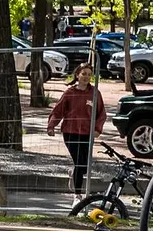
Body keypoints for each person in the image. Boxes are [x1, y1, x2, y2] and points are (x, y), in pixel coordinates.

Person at [46, 65, 107, 196]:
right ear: (77, 75)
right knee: (79, 163)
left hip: (87, 133)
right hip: (71, 132)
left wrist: (97, 129)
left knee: (84, 166)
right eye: (84, 74)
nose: (86, 77)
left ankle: (73, 174)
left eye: (89, 74)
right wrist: (51, 126)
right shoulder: (69, 93)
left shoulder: (95, 93)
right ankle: (77, 195)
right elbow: (58, 111)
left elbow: (101, 114)